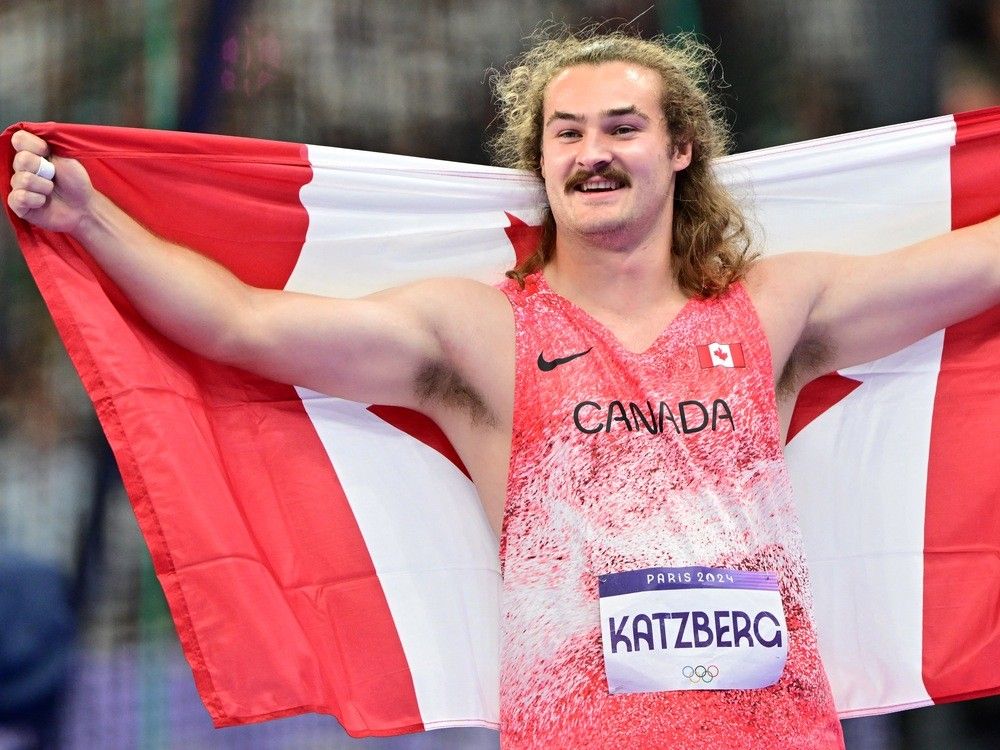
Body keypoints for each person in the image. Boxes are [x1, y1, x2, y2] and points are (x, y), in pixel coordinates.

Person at [7, 28, 1000, 750]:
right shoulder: (478, 334)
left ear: (680, 150)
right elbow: (237, 324)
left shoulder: (777, 311)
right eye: (566, 134)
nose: (593, 152)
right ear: (540, 163)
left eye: (621, 126)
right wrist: (93, 223)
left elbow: (979, 263)